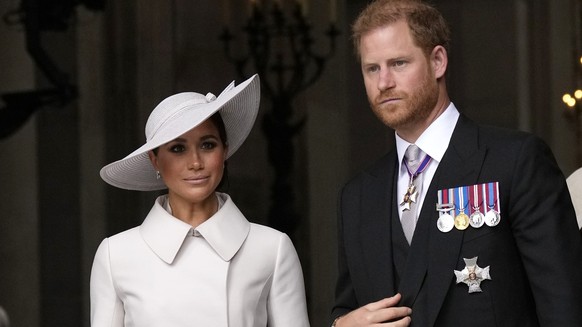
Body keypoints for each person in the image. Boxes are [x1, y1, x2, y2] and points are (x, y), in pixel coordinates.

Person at [331, 0, 582, 326]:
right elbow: (345, 308)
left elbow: (565, 309)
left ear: (437, 61)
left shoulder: (516, 162)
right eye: (372, 68)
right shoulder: (356, 197)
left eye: (399, 63)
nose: (384, 83)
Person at [90, 74, 310, 327]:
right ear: (155, 160)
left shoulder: (272, 248)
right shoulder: (115, 255)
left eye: (207, 145)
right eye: (177, 148)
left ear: (224, 150)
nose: (195, 163)